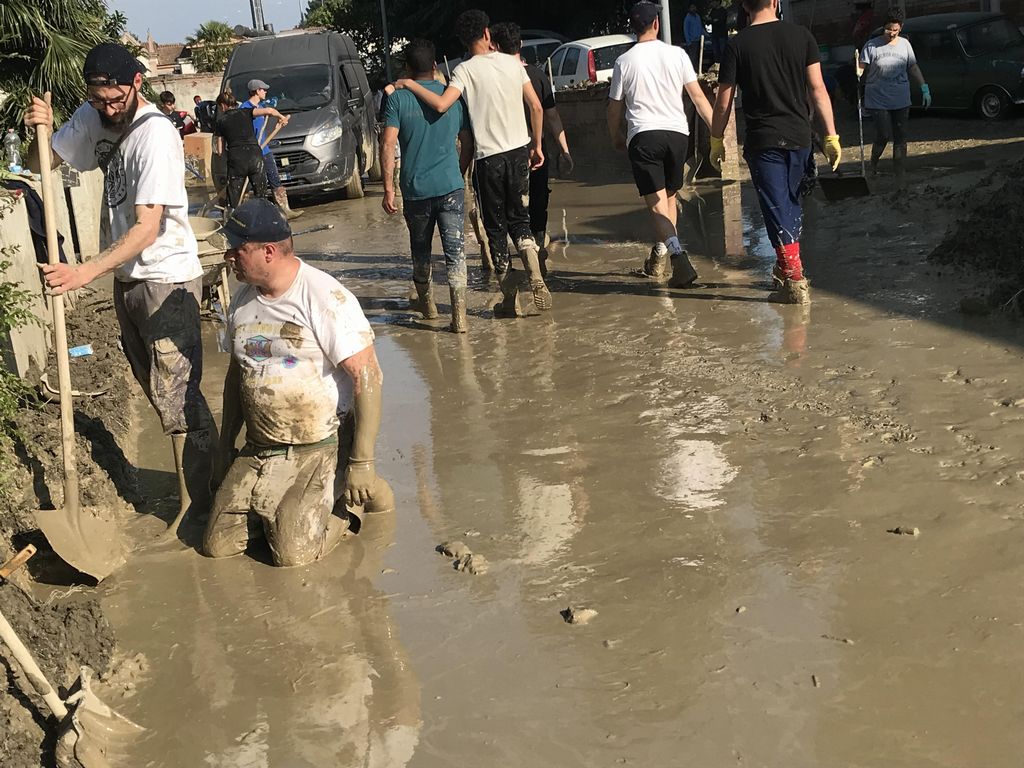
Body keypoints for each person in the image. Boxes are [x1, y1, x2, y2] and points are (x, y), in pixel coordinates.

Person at [24, 42, 213, 534]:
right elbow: (42, 163)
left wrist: (84, 272)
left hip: (165, 277)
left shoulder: (155, 136)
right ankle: (199, 492)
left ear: (136, 84)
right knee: (159, 394)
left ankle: (202, 506)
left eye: (115, 99)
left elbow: (148, 227)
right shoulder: (93, 116)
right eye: (98, 100)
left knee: (181, 398)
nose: (108, 109)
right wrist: (38, 129)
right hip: (129, 277)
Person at [204, 199, 392, 567]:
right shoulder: (242, 300)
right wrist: (225, 443)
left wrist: (362, 461)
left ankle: (352, 503)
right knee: (216, 545)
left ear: (268, 252)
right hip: (261, 446)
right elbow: (237, 374)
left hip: (319, 444)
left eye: (237, 249)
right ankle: (283, 511)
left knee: (292, 556)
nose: (229, 257)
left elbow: (367, 375)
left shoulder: (324, 297)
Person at [394, 9, 551, 318]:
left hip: (488, 159)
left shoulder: (463, 71)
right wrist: (537, 144)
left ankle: (510, 300)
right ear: (487, 33)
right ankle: (533, 265)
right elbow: (535, 105)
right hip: (519, 152)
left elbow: (441, 104)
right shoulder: (511, 62)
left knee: (496, 229)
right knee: (520, 220)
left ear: (465, 41)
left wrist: (410, 85)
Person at [709, 0, 842, 305]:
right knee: (791, 206)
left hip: (763, 140)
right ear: (775, 1)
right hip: (799, 137)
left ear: (744, 6)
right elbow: (818, 89)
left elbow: (723, 101)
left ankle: (794, 278)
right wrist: (830, 134)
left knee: (777, 208)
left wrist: (716, 140)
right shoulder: (802, 37)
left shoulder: (737, 45)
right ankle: (786, 272)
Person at [607, 1, 714, 288]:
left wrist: (616, 136)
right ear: (656, 23)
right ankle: (660, 254)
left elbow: (614, 109)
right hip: (678, 135)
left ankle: (679, 258)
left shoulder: (624, 62)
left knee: (655, 205)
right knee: (668, 199)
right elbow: (699, 98)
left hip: (644, 136)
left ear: (633, 28)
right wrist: (716, 134)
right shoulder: (677, 55)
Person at [381, 39, 475, 333]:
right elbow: (468, 142)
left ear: (408, 69)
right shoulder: (453, 97)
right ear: (435, 67)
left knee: (420, 250)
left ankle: (428, 306)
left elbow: (387, 143)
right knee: (455, 251)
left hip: (416, 189)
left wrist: (388, 188)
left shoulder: (397, 99)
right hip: (450, 186)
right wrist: (458, 172)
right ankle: (459, 316)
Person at [491, 21, 574, 276]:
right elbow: (552, 117)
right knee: (539, 203)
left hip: (506, 154)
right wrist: (564, 150)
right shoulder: (537, 75)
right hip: (536, 152)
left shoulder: (495, 78)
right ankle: (538, 246)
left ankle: (517, 262)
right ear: (521, 45)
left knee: (512, 210)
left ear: (495, 47)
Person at [859, 10, 930, 180]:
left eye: (895, 30)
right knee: (883, 135)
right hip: (877, 98)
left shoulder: (905, 44)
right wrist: (857, 72)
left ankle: (899, 171)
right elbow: (861, 67)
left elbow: (912, 67)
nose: (891, 33)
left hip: (900, 97)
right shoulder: (871, 45)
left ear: (901, 28)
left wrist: (924, 87)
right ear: (883, 27)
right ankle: (873, 164)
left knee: (901, 136)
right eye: (888, 29)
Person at [212, 90, 288, 210]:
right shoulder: (247, 111)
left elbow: (220, 150)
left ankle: (236, 219)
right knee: (261, 194)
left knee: (235, 198)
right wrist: (281, 117)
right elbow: (269, 111)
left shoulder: (220, 121)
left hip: (237, 160)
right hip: (255, 157)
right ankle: (263, 219)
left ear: (222, 105)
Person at [245, 78, 304, 220]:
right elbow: (270, 111)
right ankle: (252, 214)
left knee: (275, 179)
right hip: (252, 152)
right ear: (257, 91)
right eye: (263, 90)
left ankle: (285, 210)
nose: (265, 92)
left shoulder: (261, 106)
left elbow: (269, 111)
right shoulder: (246, 108)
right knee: (255, 184)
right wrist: (281, 116)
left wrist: (280, 121)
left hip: (265, 150)